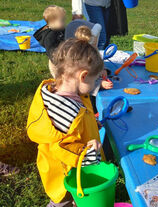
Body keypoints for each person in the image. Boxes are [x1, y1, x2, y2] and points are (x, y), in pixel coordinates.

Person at [26, 38, 105, 207]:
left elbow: (75, 127)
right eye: (94, 80)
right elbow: (63, 147)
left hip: (57, 166)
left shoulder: (52, 90)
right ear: (83, 76)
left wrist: (90, 124)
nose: (94, 85)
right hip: (64, 174)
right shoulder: (68, 111)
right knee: (63, 201)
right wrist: (89, 154)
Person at [74, 25, 113, 117]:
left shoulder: (91, 51)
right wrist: (100, 84)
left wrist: (102, 69)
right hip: (85, 98)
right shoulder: (82, 60)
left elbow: (98, 62)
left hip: (92, 84)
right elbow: (85, 84)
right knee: (91, 110)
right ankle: (94, 116)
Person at [34, 5, 66, 78]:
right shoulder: (49, 36)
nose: (64, 22)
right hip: (55, 61)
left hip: (63, 56)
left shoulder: (60, 29)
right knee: (59, 76)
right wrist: (57, 62)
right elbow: (50, 51)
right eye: (62, 20)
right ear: (52, 22)